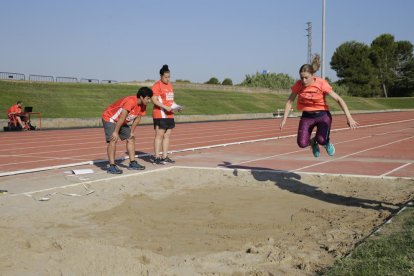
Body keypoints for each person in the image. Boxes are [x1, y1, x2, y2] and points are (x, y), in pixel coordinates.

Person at [279, 55, 359, 157]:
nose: (304, 80)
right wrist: (284, 119)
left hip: (323, 116)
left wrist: (349, 118)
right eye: (301, 77)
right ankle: (313, 142)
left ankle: (326, 143)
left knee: (322, 140)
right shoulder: (299, 85)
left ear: (313, 75)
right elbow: (290, 101)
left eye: (306, 78)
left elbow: (339, 99)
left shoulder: (321, 83)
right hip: (307, 117)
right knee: (302, 143)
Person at [102, 87, 153, 174]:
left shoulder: (143, 105)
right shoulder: (131, 101)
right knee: (113, 139)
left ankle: (132, 163)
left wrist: (132, 132)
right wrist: (115, 132)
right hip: (110, 118)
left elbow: (137, 119)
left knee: (131, 138)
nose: (149, 101)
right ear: (141, 97)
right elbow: (122, 117)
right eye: (148, 98)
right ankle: (112, 166)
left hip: (121, 121)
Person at [151, 64, 182, 165]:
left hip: (169, 114)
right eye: (166, 77)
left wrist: (176, 107)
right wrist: (165, 107)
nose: (168, 79)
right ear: (161, 76)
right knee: (159, 135)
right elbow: (154, 100)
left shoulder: (169, 85)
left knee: (167, 135)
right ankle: (156, 157)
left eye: (169, 77)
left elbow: (170, 100)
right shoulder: (157, 85)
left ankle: (164, 156)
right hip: (160, 114)